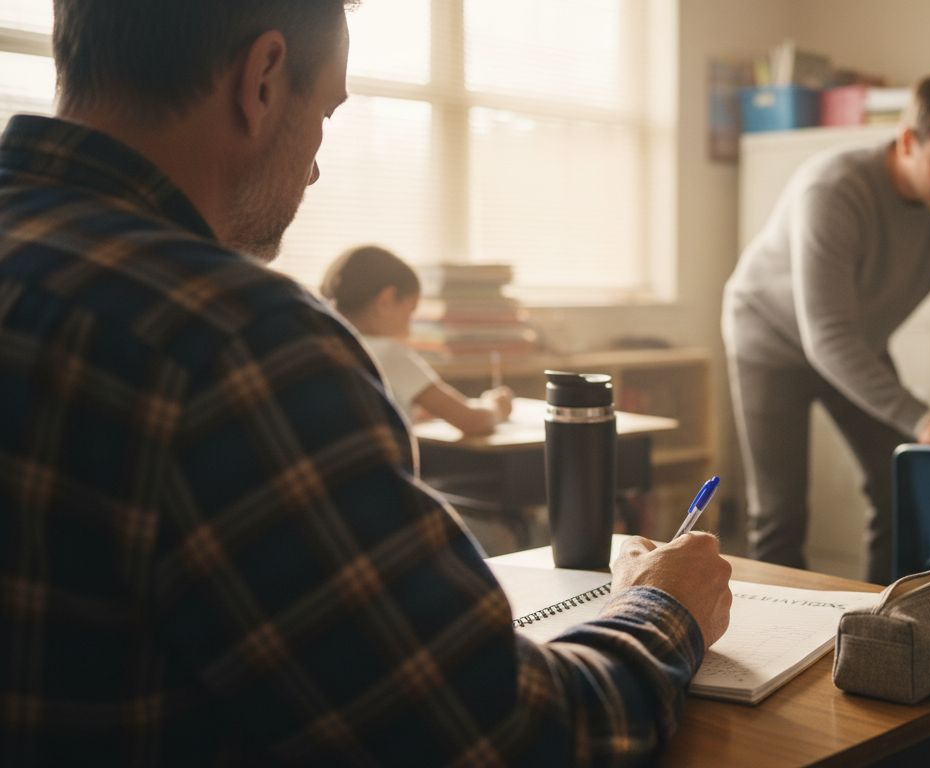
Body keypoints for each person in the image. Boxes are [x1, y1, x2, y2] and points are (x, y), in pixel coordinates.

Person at [0, 2, 732, 765]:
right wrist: (664, 603)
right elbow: (507, 738)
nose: (316, 166)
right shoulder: (236, 341)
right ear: (263, 79)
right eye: (326, 111)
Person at [723, 70, 930, 583]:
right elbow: (826, 337)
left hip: (854, 342)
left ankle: (882, 627)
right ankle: (782, 647)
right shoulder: (834, 188)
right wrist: (923, 416)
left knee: (899, 488)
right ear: (908, 141)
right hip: (770, 340)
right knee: (781, 512)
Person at [321, 244, 513, 435]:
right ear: (385, 301)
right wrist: (496, 407)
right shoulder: (387, 352)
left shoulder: (326, 346)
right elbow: (472, 420)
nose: (410, 325)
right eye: (410, 311)